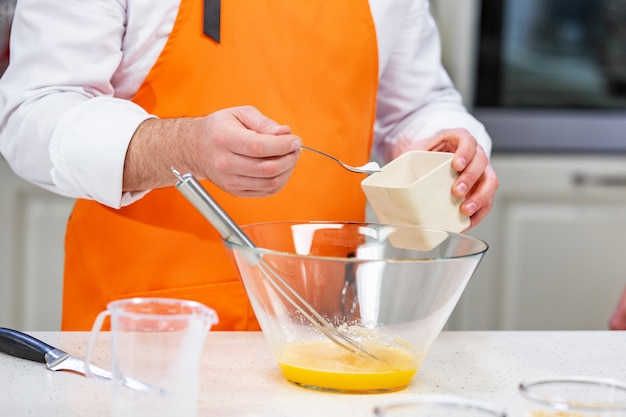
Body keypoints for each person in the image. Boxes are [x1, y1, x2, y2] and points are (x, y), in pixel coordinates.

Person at [0, 0, 498, 331]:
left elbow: (416, 104)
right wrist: (182, 146)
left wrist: (450, 147)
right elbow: (34, 111)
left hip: (325, 329)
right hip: (146, 334)